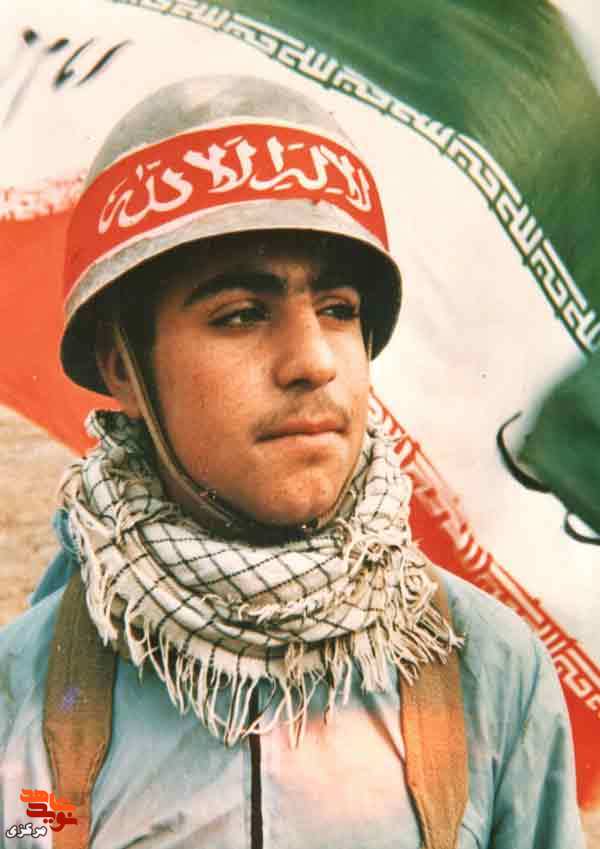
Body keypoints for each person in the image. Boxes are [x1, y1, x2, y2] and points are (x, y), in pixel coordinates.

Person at [0, 75, 584, 849]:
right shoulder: (27, 697)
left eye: (338, 310)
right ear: (121, 367)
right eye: (241, 314)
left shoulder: (491, 675)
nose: (312, 361)